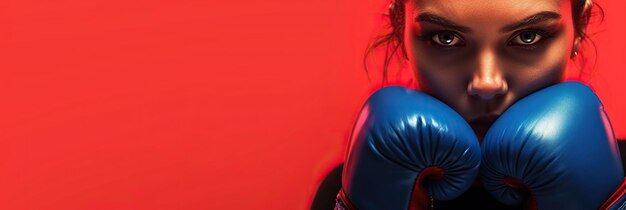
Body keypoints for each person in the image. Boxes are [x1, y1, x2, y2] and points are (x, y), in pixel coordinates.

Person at [310, 0, 626, 209]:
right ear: (399, 27)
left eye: (528, 36)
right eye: (445, 38)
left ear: (580, 28)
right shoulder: (351, 187)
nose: (486, 83)